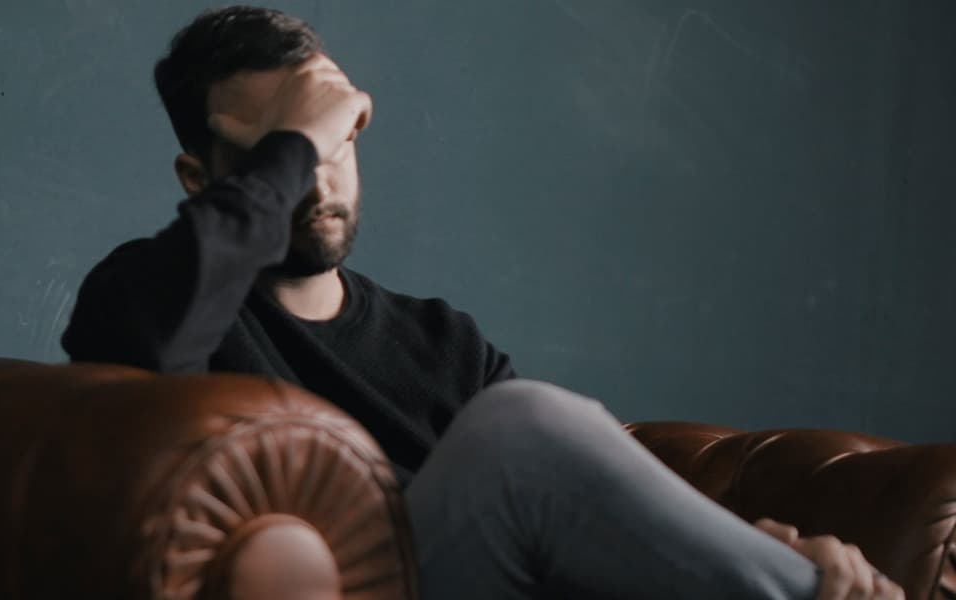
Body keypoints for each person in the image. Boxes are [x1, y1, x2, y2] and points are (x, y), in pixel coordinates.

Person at [60, 7, 899, 600]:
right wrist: (300, 135)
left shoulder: (439, 340)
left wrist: (753, 548)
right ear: (200, 178)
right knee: (521, 426)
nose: (316, 178)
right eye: (282, 152)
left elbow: (578, 505)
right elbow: (152, 351)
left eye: (336, 140)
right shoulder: (144, 294)